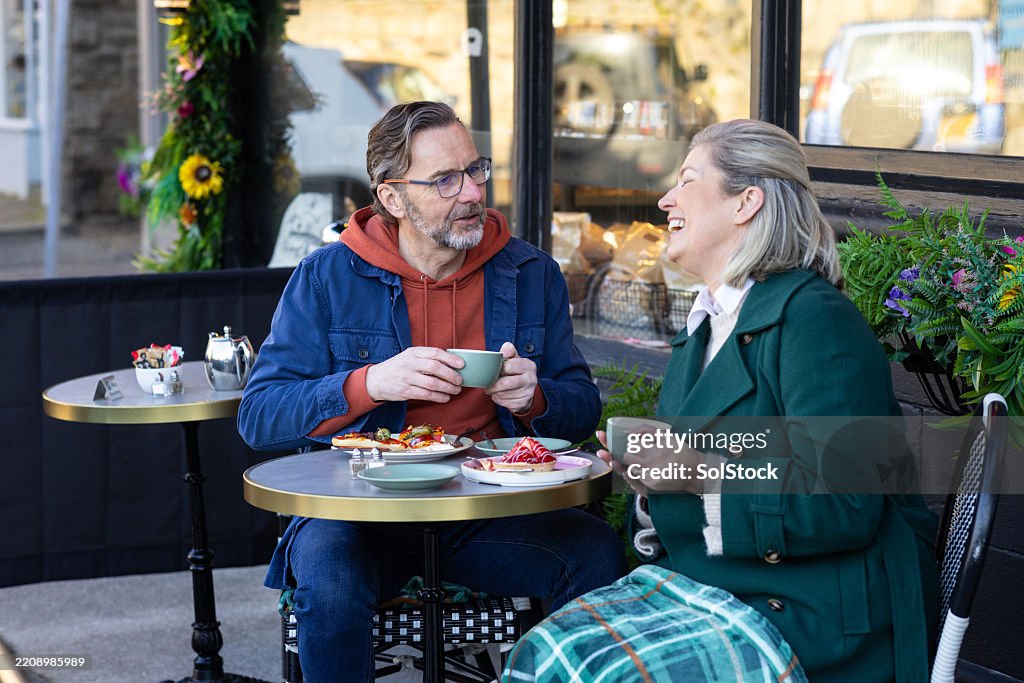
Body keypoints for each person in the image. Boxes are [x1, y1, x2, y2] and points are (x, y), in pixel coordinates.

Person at [502, 119, 938, 682]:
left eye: (687, 180)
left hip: (819, 618)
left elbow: (844, 508)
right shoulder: (706, 327)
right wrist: (647, 477)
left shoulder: (814, 320)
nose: (665, 199)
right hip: (719, 589)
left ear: (746, 203)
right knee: (544, 654)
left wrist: (689, 469)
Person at [237, 101, 625, 682]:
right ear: (392, 198)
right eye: (444, 179)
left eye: (475, 170)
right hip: (361, 511)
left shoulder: (530, 273)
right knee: (330, 578)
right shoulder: (327, 276)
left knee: (594, 553)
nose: (471, 192)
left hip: (489, 506)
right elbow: (260, 415)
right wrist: (371, 383)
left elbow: (580, 406)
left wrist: (536, 398)